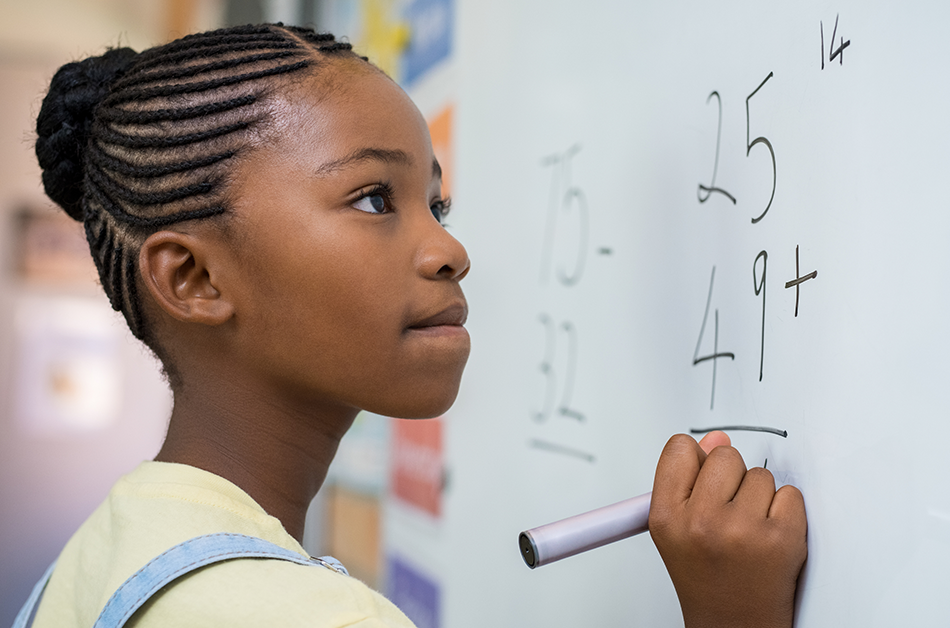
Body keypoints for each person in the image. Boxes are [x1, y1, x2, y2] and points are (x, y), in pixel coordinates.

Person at [21, 23, 808, 628]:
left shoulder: (109, 550)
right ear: (192, 278)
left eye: (437, 205)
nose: (450, 250)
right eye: (373, 199)